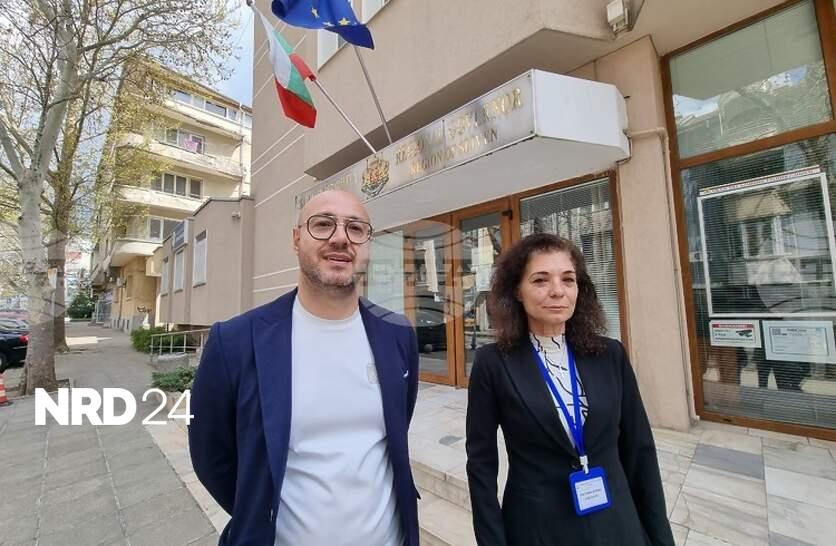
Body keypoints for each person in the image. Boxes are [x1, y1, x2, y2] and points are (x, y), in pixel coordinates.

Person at [189, 190, 420, 546]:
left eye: (355, 228)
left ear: (368, 244)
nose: (340, 238)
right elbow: (211, 457)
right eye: (323, 224)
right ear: (296, 239)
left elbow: (398, 426)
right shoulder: (234, 342)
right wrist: (258, 511)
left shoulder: (398, 334)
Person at [466, 233, 674, 546]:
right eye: (540, 280)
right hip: (538, 528)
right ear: (517, 291)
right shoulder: (493, 363)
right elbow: (481, 466)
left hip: (616, 522)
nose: (557, 291)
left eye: (568, 279)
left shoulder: (610, 354)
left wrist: (660, 537)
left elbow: (639, 451)